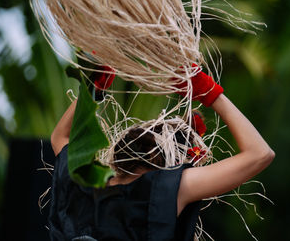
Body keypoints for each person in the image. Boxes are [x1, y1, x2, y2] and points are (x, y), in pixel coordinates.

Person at [48, 67, 275, 241]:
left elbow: (60, 138)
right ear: (168, 166)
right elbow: (260, 154)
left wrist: (92, 89)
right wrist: (210, 94)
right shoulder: (162, 191)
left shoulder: (81, 185)